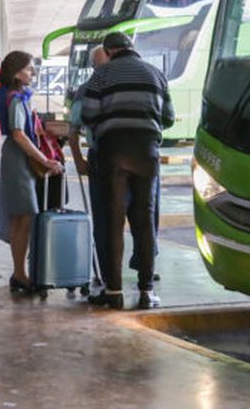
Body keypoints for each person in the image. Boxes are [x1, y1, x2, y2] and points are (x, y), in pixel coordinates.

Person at [80, 31, 174, 310]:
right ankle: (146, 292)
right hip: (147, 153)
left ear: (108, 52)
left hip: (114, 152)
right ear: (132, 48)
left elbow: (88, 114)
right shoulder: (157, 75)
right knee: (144, 222)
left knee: (114, 221)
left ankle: (114, 291)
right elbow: (167, 117)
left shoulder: (102, 75)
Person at [0, 51, 64, 294]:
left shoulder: (12, 95)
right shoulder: (15, 98)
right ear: (15, 72)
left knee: (21, 216)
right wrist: (45, 160)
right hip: (17, 158)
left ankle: (20, 272)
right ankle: (20, 272)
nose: (32, 73)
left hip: (16, 157)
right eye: (28, 68)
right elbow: (19, 134)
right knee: (25, 214)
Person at [69, 45, 110, 286]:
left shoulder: (86, 90)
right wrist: (78, 160)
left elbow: (73, 131)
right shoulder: (85, 91)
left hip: (102, 157)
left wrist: (79, 161)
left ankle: (107, 268)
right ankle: (143, 268)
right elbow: (73, 131)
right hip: (108, 157)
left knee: (105, 216)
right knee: (141, 214)